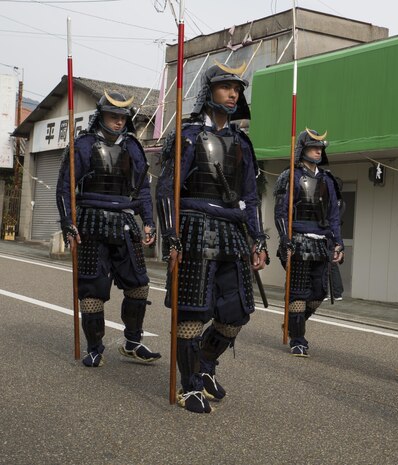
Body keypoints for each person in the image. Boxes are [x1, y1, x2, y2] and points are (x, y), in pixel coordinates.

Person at [156, 63, 268, 414]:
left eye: (237, 88)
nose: (233, 93)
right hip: (194, 228)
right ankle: (189, 387)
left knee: (235, 314)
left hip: (232, 233)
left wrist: (258, 240)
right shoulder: (187, 136)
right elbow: (165, 190)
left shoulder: (242, 143)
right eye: (226, 87)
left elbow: (251, 196)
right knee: (192, 313)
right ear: (210, 92)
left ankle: (204, 365)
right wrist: (171, 236)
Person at [56, 90, 160, 368]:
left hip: (125, 223)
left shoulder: (134, 148)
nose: (118, 121)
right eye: (113, 115)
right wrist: (68, 222)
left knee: (139, 286)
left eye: (123, 117)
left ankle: (133, 342)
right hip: (90, 222)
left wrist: (148, 221)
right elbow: (65, 188)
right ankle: (94, 347)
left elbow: (142, 191)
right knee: (92, 291)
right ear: (101, 115)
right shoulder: (83, 145)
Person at [273, 129, 344, 357]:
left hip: (322, 242)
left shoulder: (327, 180)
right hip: (299, 240)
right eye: (314, 147)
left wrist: (338, 243)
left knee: (319, 292)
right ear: (302, 149)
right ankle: (298, 338)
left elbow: (334, 214)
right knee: (298, 292)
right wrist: (286, 239)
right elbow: (281, 211)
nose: (318, 151)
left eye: (321, 148)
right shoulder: (290, 176)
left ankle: (294, 324)